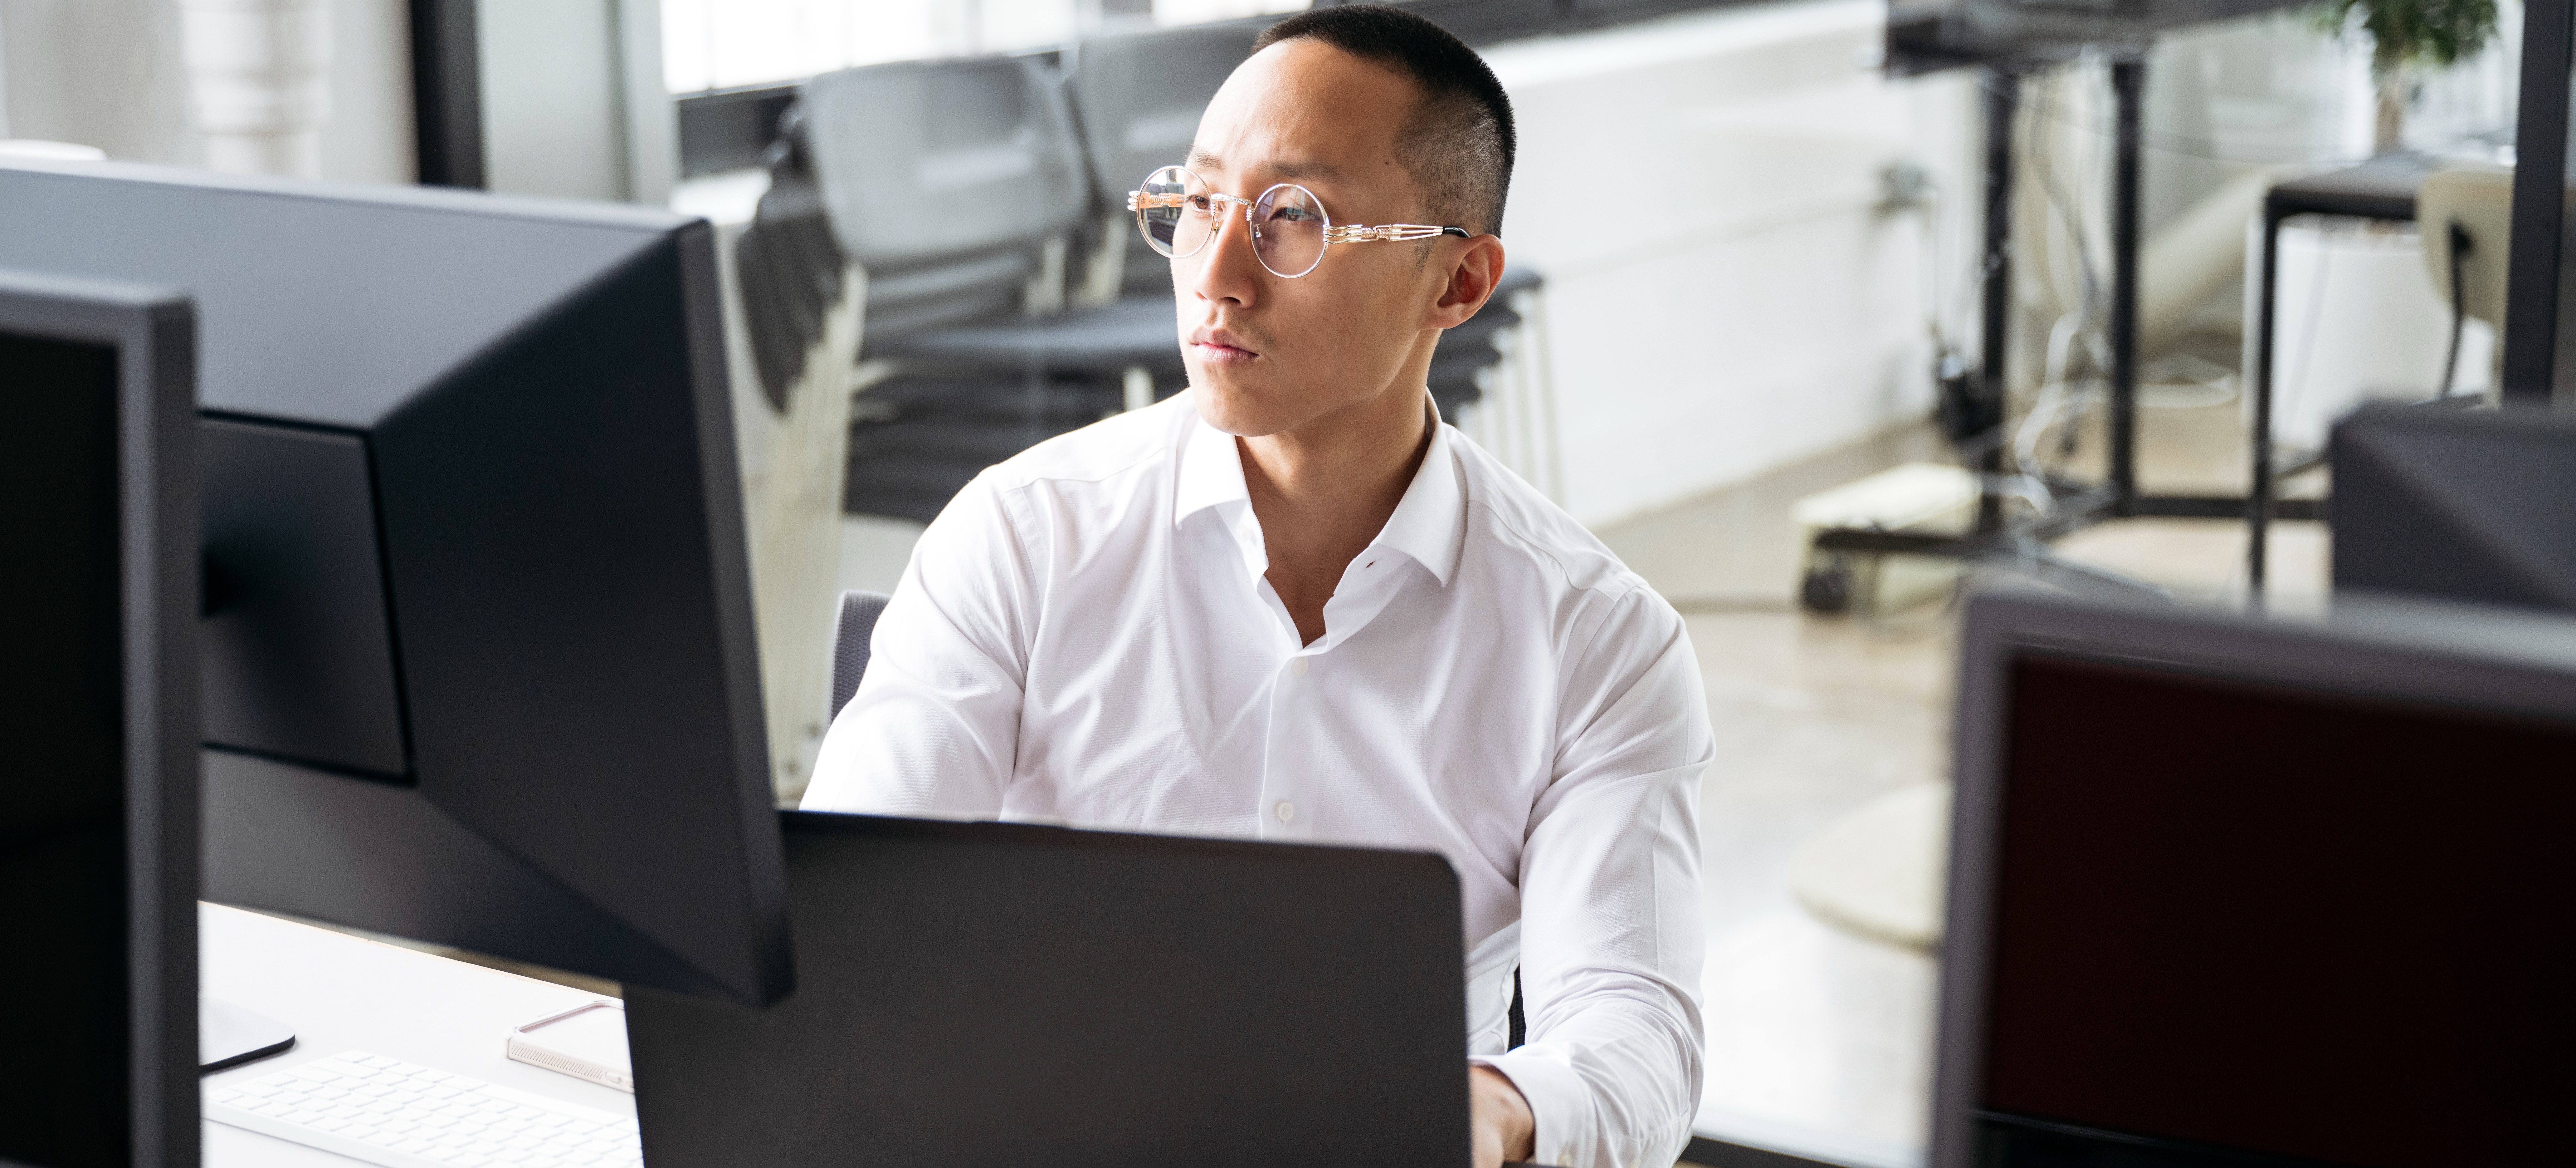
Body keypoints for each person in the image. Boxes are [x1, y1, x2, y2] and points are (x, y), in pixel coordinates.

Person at [802, 7, 1711, 1167]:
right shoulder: (1023, 535)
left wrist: (1488, 1110)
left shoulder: (1599, 643)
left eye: (1295, 218)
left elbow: (1633, 1036)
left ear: (1459, 281)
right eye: (1198, 205)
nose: (1216, 277)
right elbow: (845, 920)